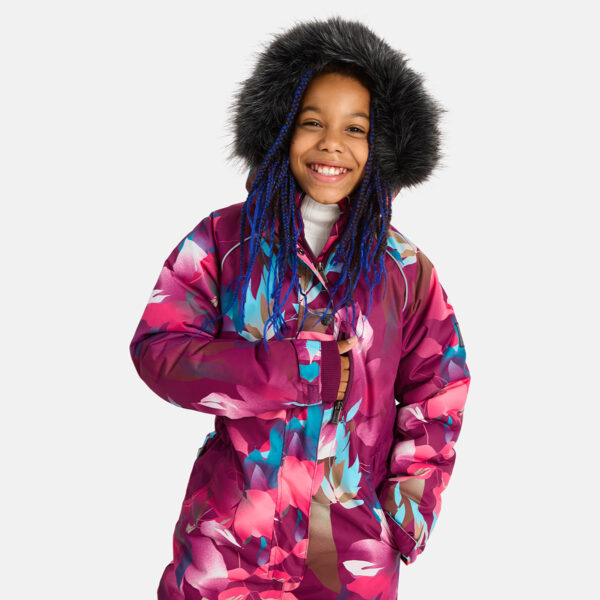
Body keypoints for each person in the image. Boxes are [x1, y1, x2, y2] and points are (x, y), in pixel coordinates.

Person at [129, 16, 471, 600]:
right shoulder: (222, 243)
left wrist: (401, 518)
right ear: (280, 128)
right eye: (313, 122)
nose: (332, 143)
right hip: (229, 544)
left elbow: (440, 390)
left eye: (355, 128)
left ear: (384, 144)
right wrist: (293, 371)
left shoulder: (404, 270)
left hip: (348, 557)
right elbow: (159, 350)